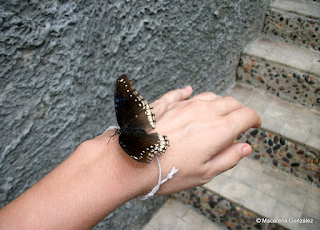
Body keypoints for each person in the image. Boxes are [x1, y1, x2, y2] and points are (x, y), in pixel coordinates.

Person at [0, 86, 261, 230]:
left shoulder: (124, 140)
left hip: (135, 136)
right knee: (132, 140)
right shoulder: (123, 139)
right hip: (137, 131)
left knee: (130, 140)